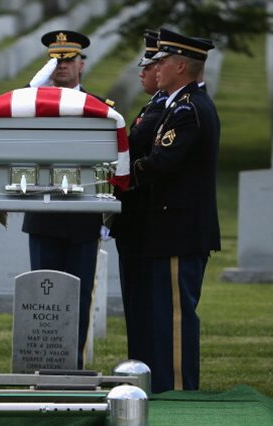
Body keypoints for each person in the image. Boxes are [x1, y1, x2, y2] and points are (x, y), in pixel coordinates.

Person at [120, 27, 220, 393]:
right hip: (166, 229)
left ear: (180, 66)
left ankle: (179, 391)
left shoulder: (189, 110)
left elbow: (161, 163)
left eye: (162, 61)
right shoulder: (177, 105)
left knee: (175, 318)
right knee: (160, 317)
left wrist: (117, 178)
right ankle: (162, 387)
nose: (155, 67)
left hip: (179, 231)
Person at [21, 30, 114, 369]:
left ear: (81, 65)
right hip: (43, 214)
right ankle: (41, 365)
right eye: (55, 60)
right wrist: (35, 92)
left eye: (68, 59)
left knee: (78, 297)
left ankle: (72, 366)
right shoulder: (32, 104)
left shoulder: (99, 107)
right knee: (42, 298)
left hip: (82, 216)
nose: (61, 66)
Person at [110, 29, 168, 363]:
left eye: (150, 66)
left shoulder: (165, 109)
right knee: (136, 300)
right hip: (134, 221)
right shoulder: (155, 106)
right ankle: (140, 362)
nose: (144, 72)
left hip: (143, 220)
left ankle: (145, 364)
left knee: (143, 300)